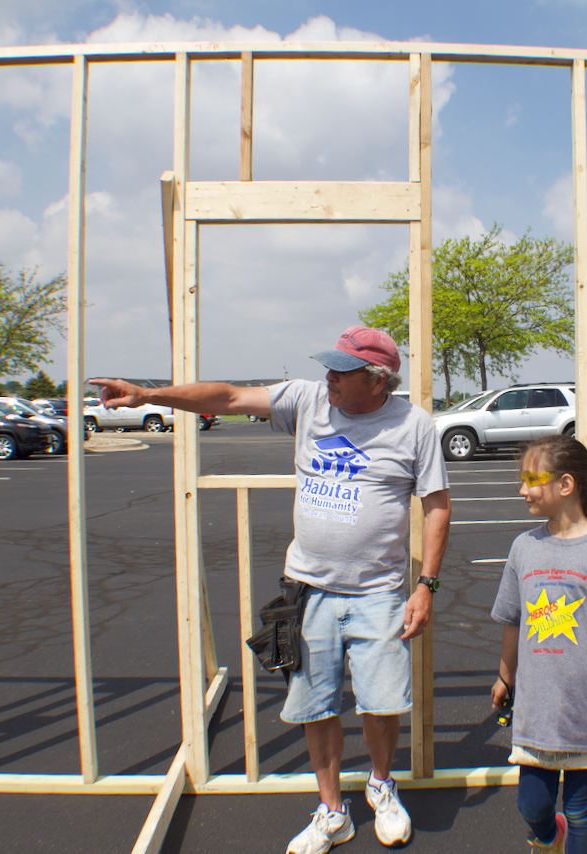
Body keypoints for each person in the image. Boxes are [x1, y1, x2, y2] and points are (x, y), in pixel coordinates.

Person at [90, 325, 451, 854]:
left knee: (380, 703)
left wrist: (426, 586)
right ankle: (332, 812)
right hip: (308, 589)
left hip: (378, 592)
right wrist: (149, 395)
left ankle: (381, 784)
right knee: (316, 703)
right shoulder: (308, 400)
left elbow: (437, 505)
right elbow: (231, 396)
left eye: (341, 370)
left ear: (377, 380)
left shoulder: (415, 425)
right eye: (328, 365)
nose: (327, 376)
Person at [489, 435, 587, 854]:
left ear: (565, 485)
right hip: (536, 709)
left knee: (582, 811)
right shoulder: (523, 548)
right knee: (532, 803)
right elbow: (512, 621)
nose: (522, 489)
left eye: (531, 479)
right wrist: (505, 677)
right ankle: (547, 835)